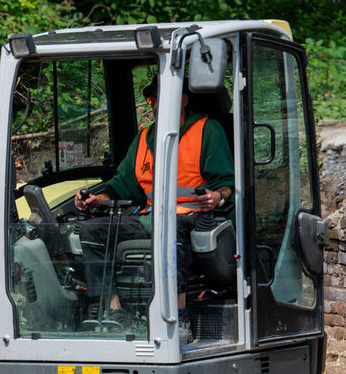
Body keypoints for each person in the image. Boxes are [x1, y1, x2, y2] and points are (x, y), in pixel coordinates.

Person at [72, 76, 234, 338]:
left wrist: (217, 197)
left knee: (172, 229)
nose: (155, 105)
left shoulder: (207, 130)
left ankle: (179, 318)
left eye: (160, 98)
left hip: (189, 217)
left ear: (182, 100)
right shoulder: (145, 138)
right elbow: (121, 185)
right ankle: (114, 313)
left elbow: (227, 184)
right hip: (150, 217)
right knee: (92, 230)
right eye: (152, 100)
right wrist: (95, 199)